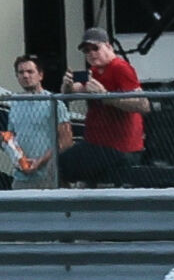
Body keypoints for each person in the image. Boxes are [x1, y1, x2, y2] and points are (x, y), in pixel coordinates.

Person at [57, 29, 148, 186]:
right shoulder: (93, 71)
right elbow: (73, 90)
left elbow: (143, 104)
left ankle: (66, 205)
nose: (91, 54)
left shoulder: (120, 68)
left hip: (118, 148)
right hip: (97, 143)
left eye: (95, 48)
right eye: (87, 51)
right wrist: (67, 85)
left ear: (109, 47)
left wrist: (106, 96)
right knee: (69, 168)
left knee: (60, 165)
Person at [2, 54, 73, 188]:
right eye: (21, 72)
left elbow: (66, 141)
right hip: (21, 177)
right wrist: (1, 141)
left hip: (49, 176)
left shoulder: (54, 103)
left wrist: (40, 161)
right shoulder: (15, 103)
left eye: (30, 72)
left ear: (40, 75)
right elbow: (11, 136)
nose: (26, 76)